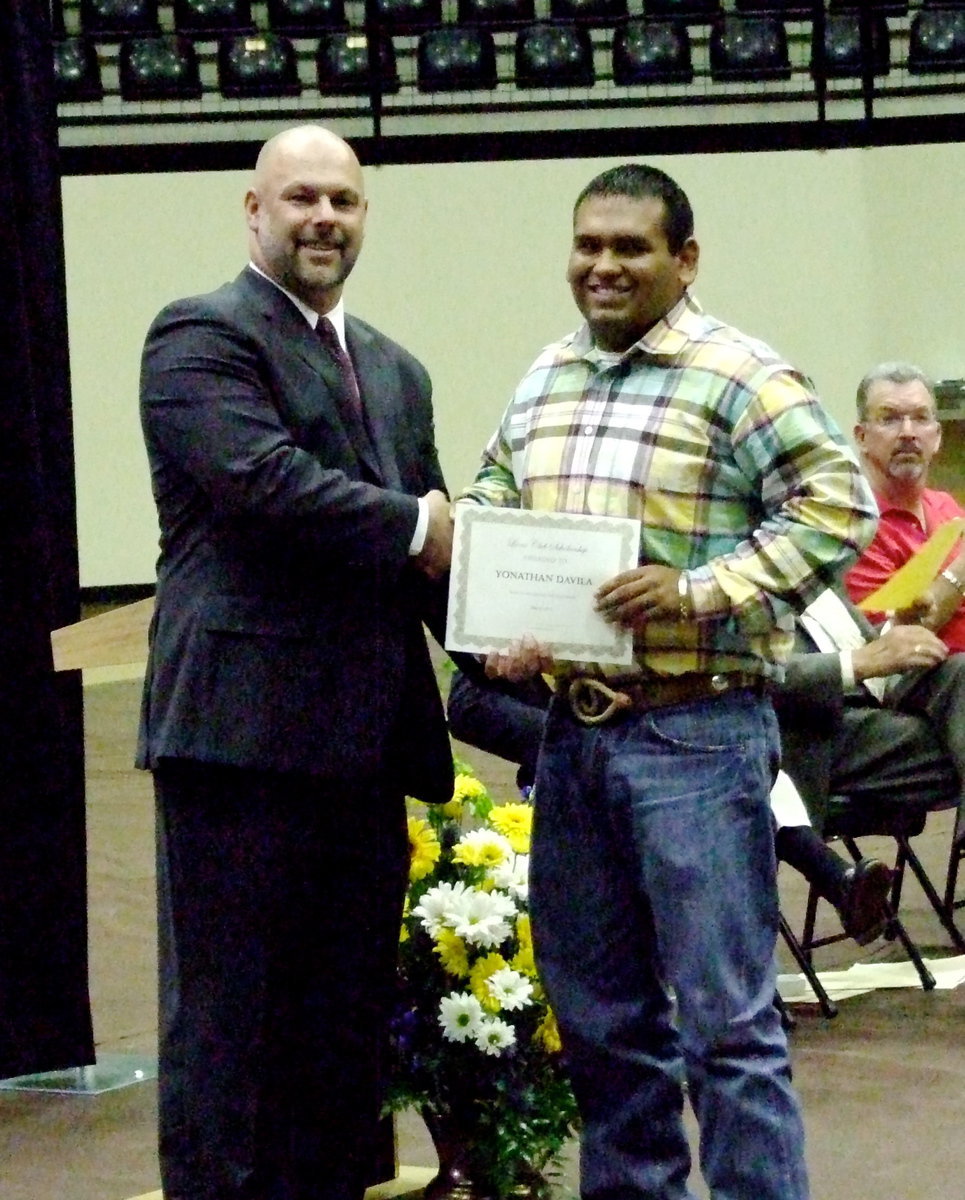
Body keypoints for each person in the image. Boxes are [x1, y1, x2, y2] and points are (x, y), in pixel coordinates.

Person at [459, 163, 878, 1200]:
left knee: (727, 1025)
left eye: (628, 248)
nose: (602, 266)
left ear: (682, 259)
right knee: (601, 1023)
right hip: (573, 736)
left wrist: (698, 590)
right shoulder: (545, 376)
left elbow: (839, 507)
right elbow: (491, 499)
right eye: (586, 246)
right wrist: (501, 620)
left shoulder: (739, 374)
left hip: (697, 735)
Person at [137, 124, 455, 1200]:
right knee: (227, 1024)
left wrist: (530, 638)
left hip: (363, 750)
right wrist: (421, 529)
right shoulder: (198, 335)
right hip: (238, 741)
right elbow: (264, 485)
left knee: (341, 1025)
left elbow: (437, 556)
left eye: (344, 201)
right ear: (254, 210)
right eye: (302, 198)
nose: (324, 218)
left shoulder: (396, 370)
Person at [446, 667, 894, 945]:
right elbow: (467, 706)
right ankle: (836, 880)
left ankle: (837, 885)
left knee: (736, 765)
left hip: (669, 749)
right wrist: (581, 733)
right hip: (573, 771)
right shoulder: (516, 589)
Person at [845, 362, 965, 651]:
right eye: (890, 419)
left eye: (921, 418)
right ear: (862, 437)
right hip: (923, 682)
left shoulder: (946, 506)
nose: (908, 432)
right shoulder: (854, 525)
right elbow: (897, 642)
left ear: (936, 437)